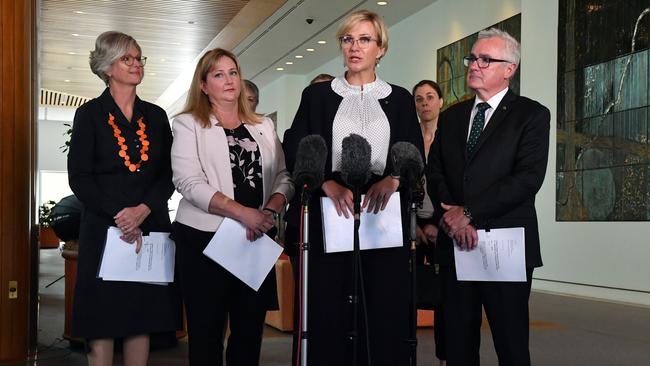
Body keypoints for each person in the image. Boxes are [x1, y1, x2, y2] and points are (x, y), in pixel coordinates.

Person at [283, 9, 423, 366]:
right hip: (331, 202)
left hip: (383, 207)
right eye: (347, 39)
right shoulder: (316, 97)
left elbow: (414, 153)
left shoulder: (401, 98)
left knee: (382, 299)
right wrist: (326, 183)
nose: (354, 47)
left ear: (381, 48)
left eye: (364, 39)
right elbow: (297, 147)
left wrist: (393, 180)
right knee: (331, 299)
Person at [427, 28, 550, 366]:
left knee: (510, 342)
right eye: (472, 58)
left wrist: (469, 213)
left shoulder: (531, 115)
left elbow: (527, 179)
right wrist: (453, 217)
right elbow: (434, 171)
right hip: (455, 244)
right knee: (457, 342)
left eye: (485, 59)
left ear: (509, 68)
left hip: (504, 245)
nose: (474, 65)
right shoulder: (451, 117)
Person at [170, 48, 293, 366]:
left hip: (255, 240)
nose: (228, 80)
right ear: (203, 85)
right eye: (218, 74)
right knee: (206, 335)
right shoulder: (188, 124)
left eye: (233, 72)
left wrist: (269, 211)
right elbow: (189, 182)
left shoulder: (263, 125)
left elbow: (284, 176)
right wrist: (244, 214)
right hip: (203, 240)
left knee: (249, 334)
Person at [67, 31, 181, 365]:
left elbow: (168, 174)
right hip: (105, 228)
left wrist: (143, 210)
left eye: (138, 58)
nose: (136, 65)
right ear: (107, 67)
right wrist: (121, 214)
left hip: (150, 226)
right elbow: (80, 178)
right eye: (126, 59)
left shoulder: (157, 115)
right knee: (101, 320)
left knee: (140, 317)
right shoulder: (89, 115)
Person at [412, 79, 446, 366]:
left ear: (441, 102)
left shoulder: (450, 136)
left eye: (430, 97)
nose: (425, 103)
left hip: (443, 225)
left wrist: (437, 223)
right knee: (405, 292)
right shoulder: (408, 138)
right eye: (419, 99)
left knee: (446, 298)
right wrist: (415, 225)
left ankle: (444, 357)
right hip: (412, 225)